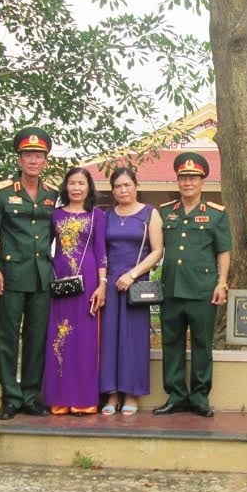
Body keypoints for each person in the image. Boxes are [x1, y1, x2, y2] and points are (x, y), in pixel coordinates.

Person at [0, 127, 60, 420]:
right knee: (8, 337)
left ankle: (30, 394)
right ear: (19, 159)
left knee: (37, 336)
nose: (33, 160)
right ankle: (11, 397)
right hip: (11, 274)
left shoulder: (52, 194)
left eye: (38, 156)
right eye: (28, 154)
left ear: (45, 161)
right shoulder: (1, 192)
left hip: (43, 275)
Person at [154, 152, 231, 418]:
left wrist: (222, 283)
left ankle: (199, 397)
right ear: (177, 180)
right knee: (171, 343)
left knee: (201, 344)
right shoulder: (165, 212)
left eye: (193, 178)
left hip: (202, 290)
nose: (188, 182)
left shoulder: (216, 214)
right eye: (183, 178)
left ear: (202, 182)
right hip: (171, 289)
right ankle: (175, 395)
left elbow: (223, 251)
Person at [42, 167, 107, 415]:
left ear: (89, 187)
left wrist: (102, 285)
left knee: (85, 340)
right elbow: (45, 247)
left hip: (89, 281)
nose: (77, 188)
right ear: (65, 187)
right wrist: (50, 273)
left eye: (82, 183)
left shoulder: (97, 215)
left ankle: (84, 400)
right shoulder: (55, 215)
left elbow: (101, 251)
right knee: (60, 337)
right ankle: (59, 399)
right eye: (72, 183)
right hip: (60, 281)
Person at [100, 167, 164, 415]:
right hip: (110, 284)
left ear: (136, 186)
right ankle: (111, 393)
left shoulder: (150, 214)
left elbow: (157, 251)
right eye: (117, 186)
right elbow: (100, 249)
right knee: (109, 339)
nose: (123, 190)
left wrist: (132, 274)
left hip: (136, 284)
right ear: (113, 190)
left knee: (133, 340)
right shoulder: (106, 216)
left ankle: (131, 393)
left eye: (127, 184)